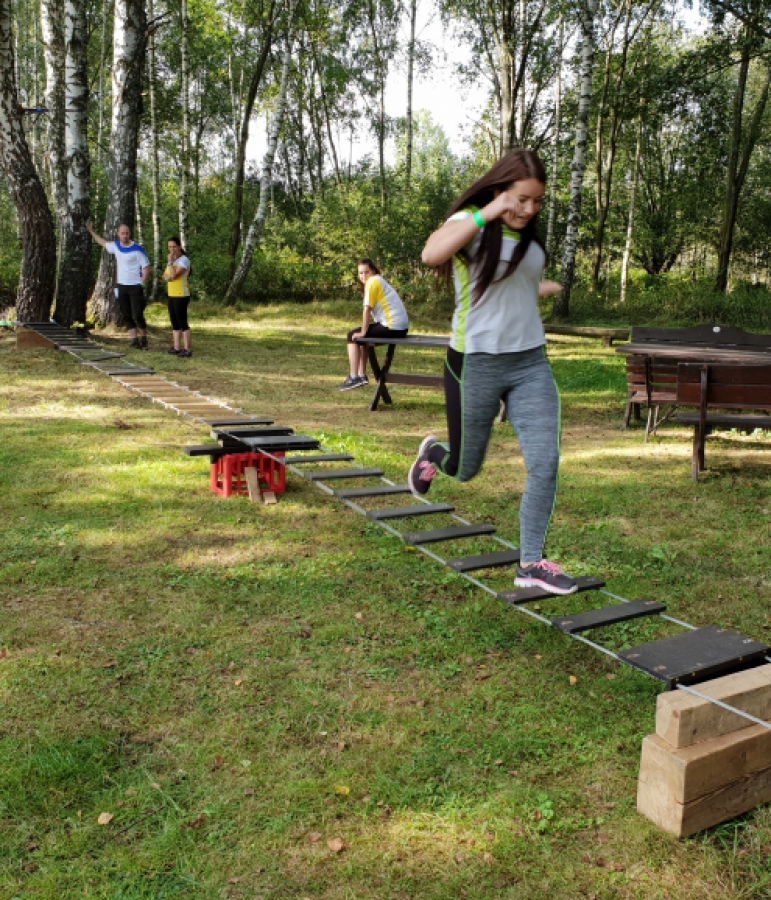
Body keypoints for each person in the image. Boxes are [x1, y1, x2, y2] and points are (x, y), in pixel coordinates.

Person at [407, 149, 577, 595]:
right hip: (475, 363)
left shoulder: (529, 240)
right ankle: (432, 455)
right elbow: (431, 254)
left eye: (537, 202)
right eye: (521, 199)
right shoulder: (470, 223)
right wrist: (488, 212)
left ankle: (530, 562)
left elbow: (508, 286)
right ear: (501, 190)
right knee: (465, 468)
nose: (528, 210)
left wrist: (539, 287)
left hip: (530, 365)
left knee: (545, 462)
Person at [340, 259, 409, 391]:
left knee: (352, 336)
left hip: (392, 327)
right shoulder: (377, 280)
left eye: (366, 272)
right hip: (399, 328)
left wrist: (363, 331)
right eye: (360, 273)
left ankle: (354, 377)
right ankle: (361, 375)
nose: (363, 276)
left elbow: (367, 310)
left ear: (373, 271)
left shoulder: (373, 282)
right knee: (362, 338)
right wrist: (364, 332)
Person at [87, 222, 151, 349]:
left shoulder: (137, 249)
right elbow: (103, 243)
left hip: (135, 286)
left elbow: (146, 267)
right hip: (122, 285)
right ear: (118, 234)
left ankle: (144, 339)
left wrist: (142, 283)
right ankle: (134, 340)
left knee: (137, 314)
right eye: (122, 233)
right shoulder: (116, 246)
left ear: (130, 234)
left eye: (127, 233)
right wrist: (91, 232)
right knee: (126, 314)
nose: (125, 235)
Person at [163, 236, 193, 357]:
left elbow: (174, 276)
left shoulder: (183, 260)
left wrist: (170, 264)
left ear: (180, 246)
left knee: (182, 321)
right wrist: (169, 275)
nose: (172, 249)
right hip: (172, 294)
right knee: (174, 322)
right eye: (170, 247)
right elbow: (164, 276)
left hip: (182, 294)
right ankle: (176, 347)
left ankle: (187, 349)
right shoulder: (173, 261)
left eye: (174, 246)